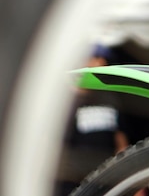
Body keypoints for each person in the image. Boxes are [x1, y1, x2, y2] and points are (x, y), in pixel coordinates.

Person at [54, 45, 131, 196]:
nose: (100, 63)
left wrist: (130, 174)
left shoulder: (109, 98)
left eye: (104, 60)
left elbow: (120, 139)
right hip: (71, 185)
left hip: (106, 181)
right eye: (95, 57)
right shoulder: (60, 103)